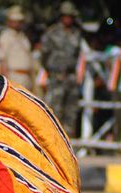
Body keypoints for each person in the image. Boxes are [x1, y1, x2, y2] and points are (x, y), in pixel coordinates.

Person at [42, 2, 83, 135]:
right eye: (66, 16)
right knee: (55, 111)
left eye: (70, 16)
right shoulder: (52, 33)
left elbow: (76, 54)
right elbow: (44, 54)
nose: (68, 19)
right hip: (57, 76)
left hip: (71, 77)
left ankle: (69, 142)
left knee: (71, 111)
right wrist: (52, 70)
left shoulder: (76, 33)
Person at [0, 6, 39, 89]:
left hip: (27, 77)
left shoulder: (23, 37)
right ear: (9, 22)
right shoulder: (5, 36)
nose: (17, 23)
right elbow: (2, 61)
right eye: (14, 21)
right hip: (13, 76)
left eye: (19, 21)